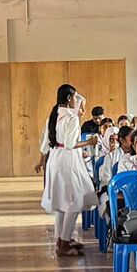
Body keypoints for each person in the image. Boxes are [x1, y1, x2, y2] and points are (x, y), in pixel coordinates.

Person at [41, 83, 94, 255]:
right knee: (74, 202)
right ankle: (64, 243)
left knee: (61, 202)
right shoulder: (72, 118)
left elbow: (46, 143)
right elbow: (71, 144)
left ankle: (61, 239)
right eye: (75, 98)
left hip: (55, 158)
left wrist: (41, 160)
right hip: (67, 161)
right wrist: (89, 142)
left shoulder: (54, 115)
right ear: (69, 98)